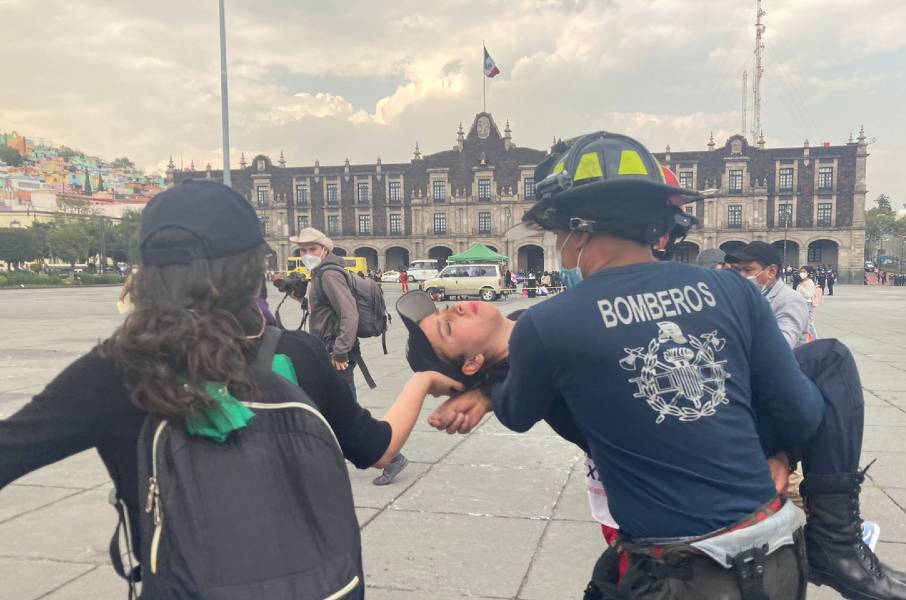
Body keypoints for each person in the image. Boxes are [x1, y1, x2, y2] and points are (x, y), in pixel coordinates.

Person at [418, 132, 829, 598]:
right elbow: (802, 411)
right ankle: (841, 540)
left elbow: (516, 412)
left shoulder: (550, 322)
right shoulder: (732, 290)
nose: (557, 244)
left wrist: (483, 389)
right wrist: (776, 452)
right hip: (775, 554)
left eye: (556, 231)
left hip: (678, 572)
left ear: (578, 229)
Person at [0, 180, 460, 597]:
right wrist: (421, 381)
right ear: (250, 268)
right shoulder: (298, 353)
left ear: (147, 272)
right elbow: (377, 447)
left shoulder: (117, 370)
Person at [290, 227, 409, 485]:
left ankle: (390, 456)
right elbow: (322, 309)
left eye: (312, 248)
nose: (307, 253)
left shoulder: (329, 273)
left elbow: (349, 312)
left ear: (324, 249)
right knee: (331, 408)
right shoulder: (320, 273)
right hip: (327, 349)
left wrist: (341, 350)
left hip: (335, 351)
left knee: (346, 412)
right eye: (302, 249)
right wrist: (297, 294)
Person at [729, 242, 809, 348]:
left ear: (771, 271)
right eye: (739, 270)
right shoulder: (747, 297)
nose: (741, 275)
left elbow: (781, 346)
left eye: (748, 270)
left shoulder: (790, 300)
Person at [798, 267, 818, 340]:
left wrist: (802, 288)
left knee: (809, 323)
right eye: (801, 271)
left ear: (808, 273)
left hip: (807, 304)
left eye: (804, 271)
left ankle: (815, 339)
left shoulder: (810, 282)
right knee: (803, 323)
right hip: (802, 304)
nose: (802, 273)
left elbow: (809, 295)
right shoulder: (802, 282)